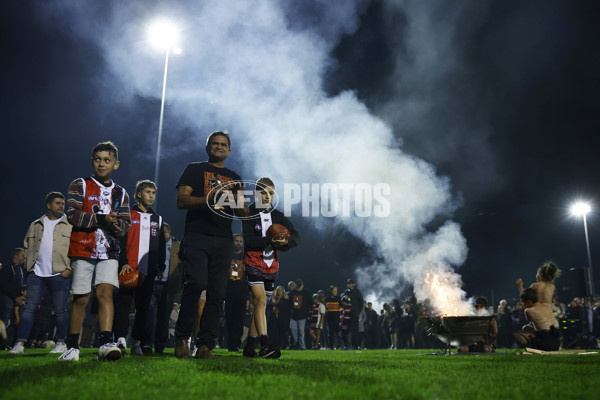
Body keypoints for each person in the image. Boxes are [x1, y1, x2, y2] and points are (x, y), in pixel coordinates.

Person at [174, 130, 248, 359]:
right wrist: (210, 199)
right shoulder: (194, 169)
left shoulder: (234, 176)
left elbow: (243, 212)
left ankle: (205, 344)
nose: (219, 147)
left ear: (229, 149)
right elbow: (181, 200)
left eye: (223, 144)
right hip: (197, 235)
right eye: (214, 143)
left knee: (217, 293)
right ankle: (182, 338)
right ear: (208, 147)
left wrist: (237, 198)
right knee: (196, 283)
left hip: (223, 239)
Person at [59, 141, 131, 361]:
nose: (102, 164)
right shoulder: (79, 184)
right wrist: (101, 219)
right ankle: (72, 347)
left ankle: (106, 342)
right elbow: (71, 213)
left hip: (110, 251)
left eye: (107, 160)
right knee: (81, 298)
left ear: (116, 164)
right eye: (98, 159)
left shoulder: (122, 192)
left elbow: (127, 222)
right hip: (82, 248)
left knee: (105, 293)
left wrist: (119, 227)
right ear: (92, 161)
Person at [242, 177, 300, 358]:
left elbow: (296, 236)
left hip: (271, 264)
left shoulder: (279, 216)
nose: (267, 196)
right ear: (256, 193)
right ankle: (265, 345)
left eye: (271, 193)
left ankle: (249, 346)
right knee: (259, 301)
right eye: (263, 192)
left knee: (261, 304)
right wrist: (270, 240)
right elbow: (250, 240)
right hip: (253, 260)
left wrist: (286, 242)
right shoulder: (249, 213)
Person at [9, 192, 73, 355]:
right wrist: (29, 267)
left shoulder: (69, 224)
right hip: (37, 274)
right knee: (28, 309)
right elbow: (26, 245)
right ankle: (20, 343)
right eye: (57, 203)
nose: (61, 205)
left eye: (62, 203)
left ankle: (61, 342)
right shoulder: (36, 224)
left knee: (60, 310)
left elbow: (76, 248)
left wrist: (69, 268)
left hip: (59, 273)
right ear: (48, 205)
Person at [113, 180, 165, 356]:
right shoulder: (128, 215)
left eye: (153, 192)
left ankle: (136, 342)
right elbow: (120, 240)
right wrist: (123, 262)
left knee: (144, 307)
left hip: (148, 270)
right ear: (138, 195)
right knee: (124, 304)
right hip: (128, 268)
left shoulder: (157, 219)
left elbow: (160, 245)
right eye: (147, 192)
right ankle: (120, 339)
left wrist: (160, 265)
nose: (151, 195)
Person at [143, 222, 181, 353]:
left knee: (164, 318)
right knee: (149, 315)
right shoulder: (150, 244)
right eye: (160, 232)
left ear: (170, 232)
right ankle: (147, 343)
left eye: (165, 232)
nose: (162, 235)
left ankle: (160, 345)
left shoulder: (177, 246)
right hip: (152, 284)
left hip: (168, 286)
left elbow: (181, 266)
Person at [224, 234, 248, 352]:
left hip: (241, 292)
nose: (238, 243)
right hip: (228, 290)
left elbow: (248, 275)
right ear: (232, 242)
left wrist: (248, 296)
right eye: (236, 241)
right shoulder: (227, 254)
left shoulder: (245, 257)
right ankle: (230, 344)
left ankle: (236, 344)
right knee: (229, 318)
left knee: (239, 319)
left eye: (240, 241)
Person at [0, 248, 26, 349]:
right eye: (22, 255)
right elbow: (4, 285)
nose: (24, 258)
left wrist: (21, 295)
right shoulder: (7, 267)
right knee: (4, 321)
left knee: (10, 323)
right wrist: (16, 297)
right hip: (6, 298)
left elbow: (19, 285)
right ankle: (3, 343)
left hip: (14, 299)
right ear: (16, 255)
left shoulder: (19, 268)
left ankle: (7, 344)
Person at [289, 279, 311, 350]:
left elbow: (310, 302)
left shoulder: (306, 292)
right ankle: (296, 344)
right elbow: (289, 300)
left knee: (301, 332)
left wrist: (306, 311)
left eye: (300, 286)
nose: (299, 287)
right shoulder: (293, 292)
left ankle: (302, 346)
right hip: (294, 315)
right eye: (298, 286)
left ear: (302, 285)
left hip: (302, 315)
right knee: (293, 330)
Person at [342, 278, 364, 349]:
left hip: (355, 313)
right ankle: (347, 345)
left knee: (355, 330)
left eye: (350, 283)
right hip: (347, 314)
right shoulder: (346, 292)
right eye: (348, 283)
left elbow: (361, 302)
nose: (349, 285)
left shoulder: (357, 292)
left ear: (353, 284)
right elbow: (343, 301)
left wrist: (358, 311)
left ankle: (356, 345)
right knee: (346, 329)